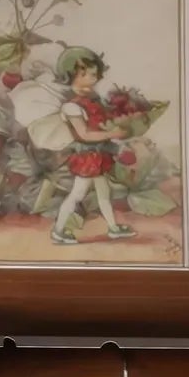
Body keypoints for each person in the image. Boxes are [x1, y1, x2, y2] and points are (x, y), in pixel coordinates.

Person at [11, 46, 134, 247]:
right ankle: (58, 231)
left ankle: (113, 228)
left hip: (98, 156)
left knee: (104, 194)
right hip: (87, 158)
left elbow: (102, 124)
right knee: (77, 195)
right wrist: (111, 134)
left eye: (93, 74)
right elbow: (84, 134)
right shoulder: (72, 106)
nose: (91, 78)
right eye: (83, 74)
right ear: (70, 76)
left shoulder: (94, 101)